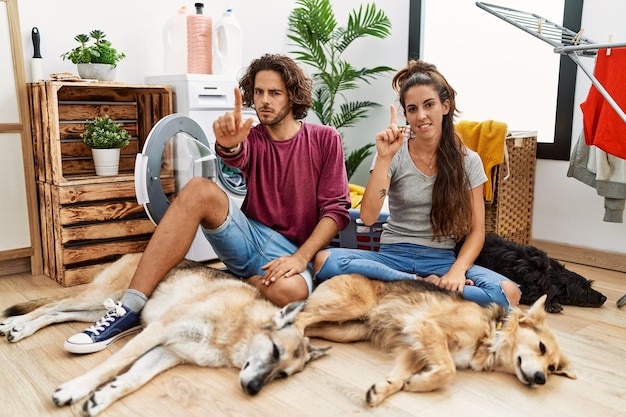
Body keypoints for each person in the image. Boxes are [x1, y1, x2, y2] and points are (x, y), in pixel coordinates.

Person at [64, 54, 352, 354]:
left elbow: (336, 210)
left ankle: (234, 281)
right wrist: (228, 144)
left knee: (292, 293)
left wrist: (300, 258)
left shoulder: (324, 138)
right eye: (259, 92)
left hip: (292, 251)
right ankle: (129, 309)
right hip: (250, 236)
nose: (264, 100)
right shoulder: (252, 138)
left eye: (275, 93)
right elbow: (236, 155)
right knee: (200, 188)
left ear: (292, 96)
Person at [313, 59, 521, 308]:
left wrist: (456, 271)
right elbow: (368, 217)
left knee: (509, 293)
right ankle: (425, 286)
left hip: (441, 260)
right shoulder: (394, 152)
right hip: (391, 258)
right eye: (412, 109)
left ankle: (399, 289)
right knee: (324, 260)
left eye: (429, 105)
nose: (421, 116)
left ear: (445, 106)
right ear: (406, 114)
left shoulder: (469, 161)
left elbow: (477, 231)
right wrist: (383, 158)